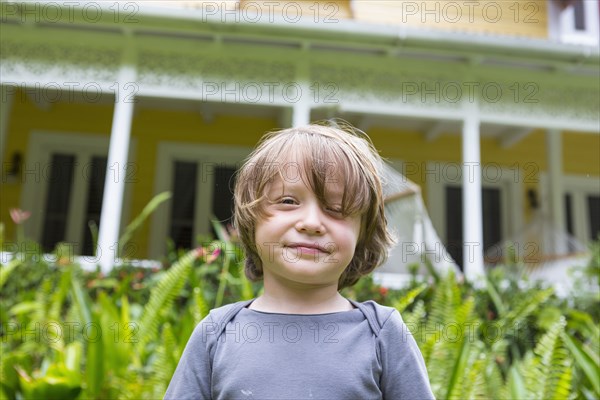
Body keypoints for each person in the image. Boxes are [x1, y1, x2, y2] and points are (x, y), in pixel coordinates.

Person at [164, 122, 435, 400]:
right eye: (289, 201)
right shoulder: (215, 334)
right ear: (251, 220)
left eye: (336, 208)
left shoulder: (382, 333)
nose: (311, 223)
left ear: (362, 234)